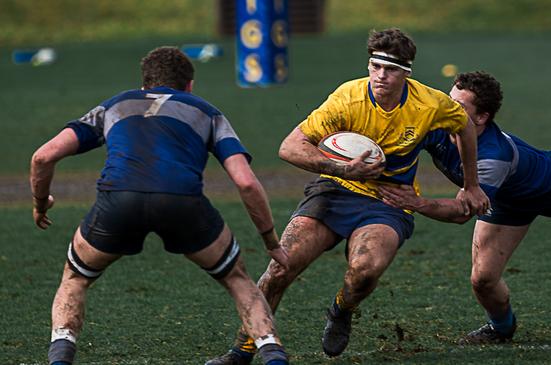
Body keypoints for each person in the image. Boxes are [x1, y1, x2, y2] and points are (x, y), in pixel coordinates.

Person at [208, 28, 490, 365]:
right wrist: (341, 170)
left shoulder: (430, 104)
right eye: (375, 66)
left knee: (365, 270)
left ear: (407, 73)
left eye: (392, 69)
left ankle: (342, 309)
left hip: (388, 202)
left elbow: (465, 126)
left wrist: (471, 184)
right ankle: (242, 350)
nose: (381, 76)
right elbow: (289, 147)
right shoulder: (348, 98)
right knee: (281, 269)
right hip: (334, 191)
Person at [30, 46, 290, 365]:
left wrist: (42, 203)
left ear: (144, 85)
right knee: (238, 280)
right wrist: (270, 241)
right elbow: (246, 182)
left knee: (76, 278)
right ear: (190, 86)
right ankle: (273, 356)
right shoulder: (208, 112)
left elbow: (43, 156)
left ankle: (60, 357)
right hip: (181, 202)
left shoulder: (116, 104)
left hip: (118, 200)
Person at [379, 71, 551, 344]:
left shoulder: (494, 156)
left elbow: (461, 213)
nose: (448, 109)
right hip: (507, 202)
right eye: (449, 100)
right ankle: (501, 328)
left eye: (458, 107)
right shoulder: (436, 126)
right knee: (483, 279)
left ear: (482, 118)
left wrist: (417, 203)